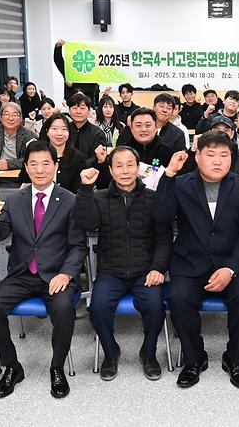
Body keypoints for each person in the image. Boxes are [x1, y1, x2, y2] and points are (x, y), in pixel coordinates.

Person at [0, 141, 88, 399]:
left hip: (57, 274)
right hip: (21, 274)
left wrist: (66, 274)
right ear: (26, 168)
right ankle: (12, 366)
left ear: (56, 166)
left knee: (64, 310)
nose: (40, 169)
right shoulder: (14, 199)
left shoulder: (70, 200)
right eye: (33, 164)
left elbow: (78, 245)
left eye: (46, 163)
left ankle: (57, 366)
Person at [154, 132, 239, 390]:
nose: (217, 161)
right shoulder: (180, 184)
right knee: (178, 299)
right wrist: (169, 173)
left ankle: (234, 359)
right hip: (190, 262)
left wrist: (231, 269)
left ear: (231, 158)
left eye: (224, 155)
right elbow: (160, 216)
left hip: (234, 262)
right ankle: (194, 358)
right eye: (210, 154)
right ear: (197, 156)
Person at [75, 147, 173, 381]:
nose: (125, 170)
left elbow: (164, 238)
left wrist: (158, 268)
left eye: (130, 164)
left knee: (155, 308)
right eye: (118, 165)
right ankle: (111, 353)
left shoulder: (153, 197)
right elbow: (85, 222)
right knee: (97, 309)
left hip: (145, 271)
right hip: (111, 271)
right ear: (109, 170)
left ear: (139, 169)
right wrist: (86, 188)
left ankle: (148, 353)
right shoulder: (99, 198)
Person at [19, 113, 104, 193]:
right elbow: (24, 178)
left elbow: (77, 191)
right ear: (47, 131)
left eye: (64, 129)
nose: (59, 133)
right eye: (54, 129)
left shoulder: (77, 158)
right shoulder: (36, 154)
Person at [183, 116, 239, 181]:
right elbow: (185, 177)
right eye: (217, 130)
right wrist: (192, 152)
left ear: (232, 134)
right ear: (209, 132)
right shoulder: (199, 154)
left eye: (226, 130)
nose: (222, 133)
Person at [54, 39, 100, 106]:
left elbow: (92, 88)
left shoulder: (92, 71)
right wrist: (58, 48)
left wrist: (73, 85)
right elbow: (58, 61)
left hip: (87, 107)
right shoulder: (70, 70)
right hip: (71, 106)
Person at [67, 92, 110, 160]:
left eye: (82, 108)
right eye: (74, 108)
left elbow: (97, 159)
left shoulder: (97, 134)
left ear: (89, 111)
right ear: (69, 111)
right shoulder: (64, 130)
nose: (78, 111)